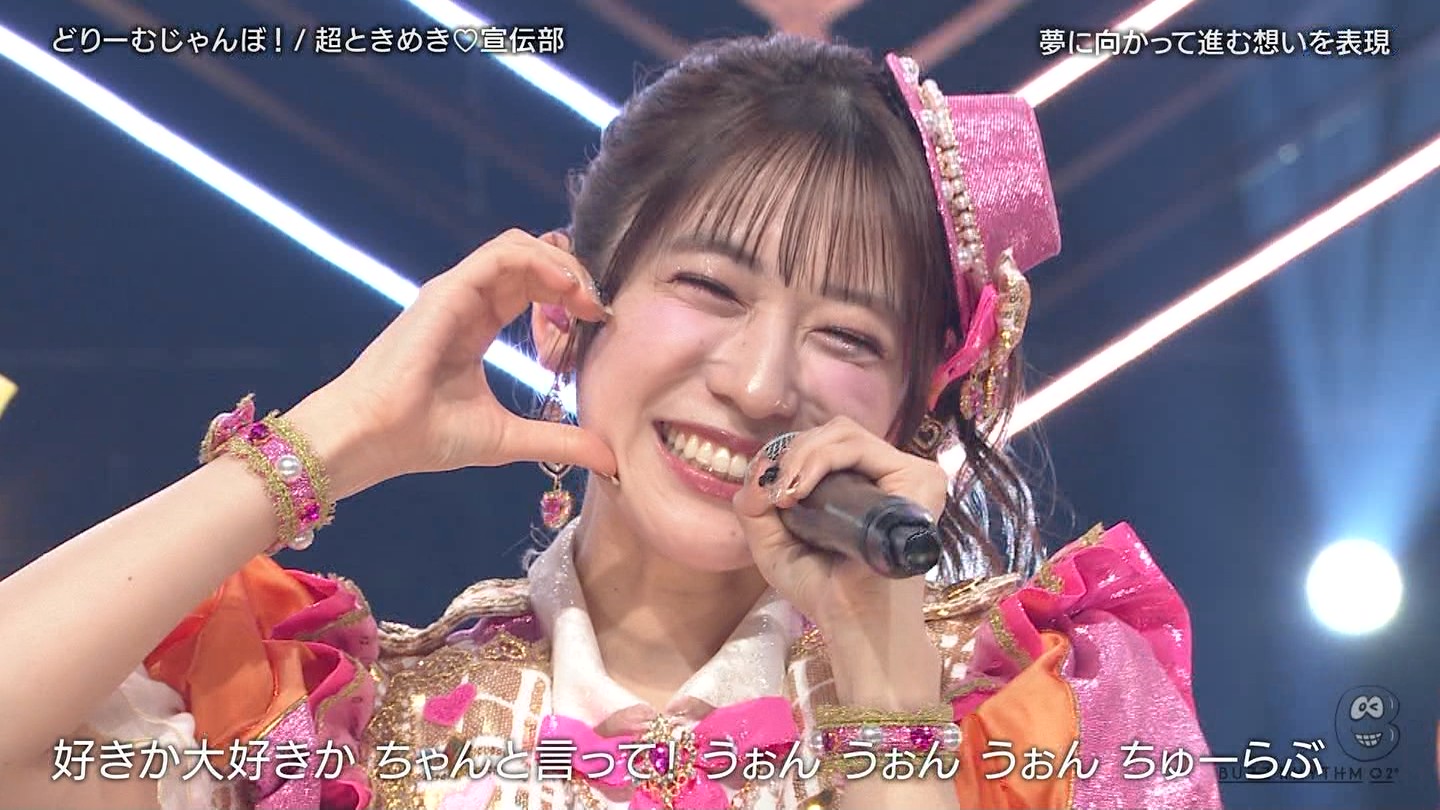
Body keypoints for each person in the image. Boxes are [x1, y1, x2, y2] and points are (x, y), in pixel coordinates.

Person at [0, 35, 1222, 810]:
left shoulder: (1036, 711)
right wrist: (335, 438)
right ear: (565, 310)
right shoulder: (345, 733)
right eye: (711, 288)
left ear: (914, 411)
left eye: (849, 337)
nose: (760, 383)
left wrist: (887, 701)